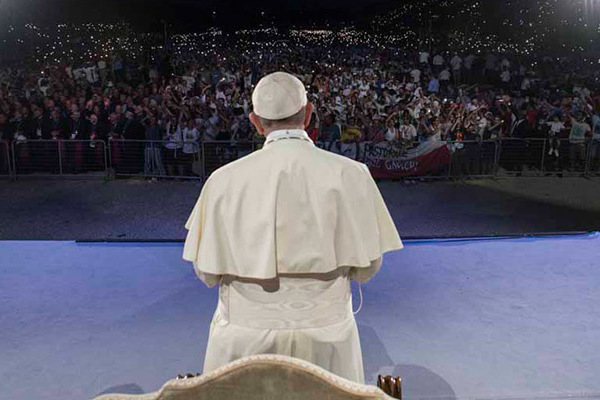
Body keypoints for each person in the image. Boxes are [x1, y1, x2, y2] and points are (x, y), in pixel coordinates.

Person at [183, 72, 403, 383]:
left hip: (243, 341)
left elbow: (206, 274)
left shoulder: (222, 180)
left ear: (255, 122)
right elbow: (368, 268)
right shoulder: (352, 174)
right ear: (309, 114)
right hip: (328, 337)